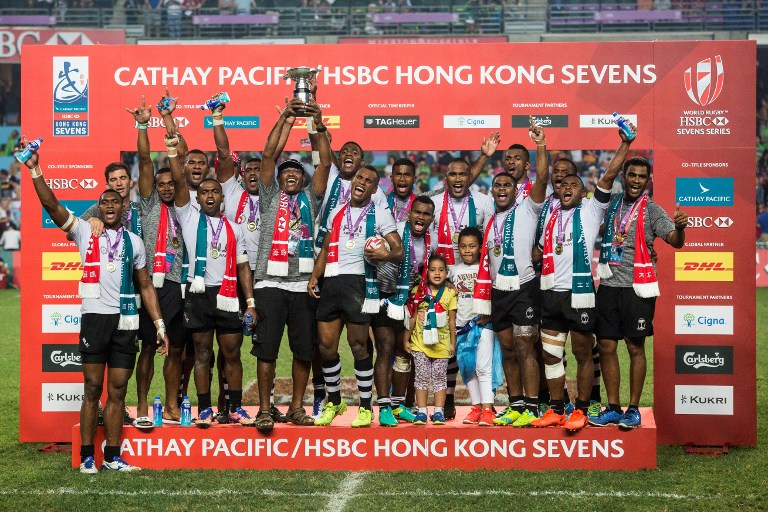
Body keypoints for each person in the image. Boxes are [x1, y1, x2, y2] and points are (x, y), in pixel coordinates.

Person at [21, 136, 168, 473]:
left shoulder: (134, 242)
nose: (110, 206)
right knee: (92, 387)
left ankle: (113, 455)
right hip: (95, 320)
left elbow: (145, 285)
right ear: (99, 208)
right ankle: (88, 456)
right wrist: (35, 170)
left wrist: (159, 325)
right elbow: (53, 206)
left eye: (115, 201)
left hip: (126, 321)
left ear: (122, 205)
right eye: (104, 202)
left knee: (118, 390)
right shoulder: (86, 232)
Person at [530, 125, 633, 432]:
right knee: (551, 355)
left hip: (580, 295)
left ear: (582, 191)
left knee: (583, 353)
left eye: (573, 185)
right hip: (550, 294)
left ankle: (582, 409)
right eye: (562, 186)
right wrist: (541, 145)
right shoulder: (549, 215)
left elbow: (609, 176)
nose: (566, 188)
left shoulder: (591, 210)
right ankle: (558, 409)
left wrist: (625, 144)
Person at [248, 98, 331, 432]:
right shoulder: (268, 196)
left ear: (303, 179)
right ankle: (265, 410)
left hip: (302, 285)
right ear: (279, 180)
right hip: (269, 282)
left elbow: (324, 163)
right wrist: (285, 117)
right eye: (287, 173)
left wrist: (316, 122)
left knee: (302, 349)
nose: (292, 175)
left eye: (298, 172)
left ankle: (297, 407)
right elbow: (268, 155)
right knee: (266, 349)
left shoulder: (311, 198)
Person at [167, 131, 257, 428]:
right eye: (204, 192)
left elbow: (244, 266)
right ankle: (204, 409)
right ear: (198, 197)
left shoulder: (235, 228)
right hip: (200, 293)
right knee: (202, 353)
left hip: (230, 295)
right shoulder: (189, 217)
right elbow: (180, 182)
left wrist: (251, 303)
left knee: (232, 354)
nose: (208, 196)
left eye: (214, 192)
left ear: (221, 197)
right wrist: (171, 149)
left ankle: (234, 408)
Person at [590, 156, 687, 429]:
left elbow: (675, 242)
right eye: (631, 175)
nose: (635, 181)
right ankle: (612, 407)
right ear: (624, 176)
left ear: (648, 181)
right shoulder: (611, 205)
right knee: (606, 345)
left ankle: (633, 409)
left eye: (641, 177)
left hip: (638, 288)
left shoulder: (653, 211)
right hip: (608, 285)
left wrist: (680, 228)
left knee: (635, 347)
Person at [308, 165, 403, 427]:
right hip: (332, 281)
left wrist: (384, 255)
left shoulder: (380, 214)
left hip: (359, 283)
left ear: (375, 188)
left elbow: (399, 251)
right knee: (326, 346)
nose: (362, 182)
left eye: (369, 180)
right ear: (353, 182)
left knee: (359, 345)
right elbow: (326, 248)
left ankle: (364, 406)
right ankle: (335, 401)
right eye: (359, 177)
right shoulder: (337, 212)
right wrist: (316, 275)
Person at [474, 117, 549, 428]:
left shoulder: (528, 208)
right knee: (506, 347)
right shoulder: (491, 220)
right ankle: (515, 404)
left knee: (524, 344)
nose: (502, 189)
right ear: (493, 192)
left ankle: (532, 407)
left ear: (517, 188)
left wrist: (540, 144)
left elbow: (543, 178)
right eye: (498, 185)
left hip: (524, 287)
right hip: (498, 291)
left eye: (508, 185)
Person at [126, 95, 189, 425]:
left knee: (176, 349)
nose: (166, 187)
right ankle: (140, 406)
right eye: (161, 184)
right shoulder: (149, 204)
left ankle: (170, 405)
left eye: (170, 183)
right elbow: (145, 161)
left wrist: (168, 121)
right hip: (152, 286)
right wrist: (143, 125)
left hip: (179, 285)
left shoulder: (186, 206)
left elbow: (180, 166)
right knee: (148, 348)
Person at [428, 134, 498, 420]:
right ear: (445, 178)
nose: (458, 179)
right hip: (445, 281)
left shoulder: (484, 202)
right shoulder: (433, 203)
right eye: (452, 174)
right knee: (447, 344)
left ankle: (484, 405)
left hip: (474, 283)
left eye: (463, 174)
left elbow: (492, 241)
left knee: (472, 350)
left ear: (470, 177)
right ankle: (447, 400)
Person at [374, 193, 436, 425]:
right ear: (409, 214)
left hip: (410, 299)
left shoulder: (434, 239)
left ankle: (398, 405)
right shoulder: (394, 231)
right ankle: (383, 407)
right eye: (417, 212)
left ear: (432, 218)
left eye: (426, 214)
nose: (421, 217)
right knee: (385, 348)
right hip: (384, 296)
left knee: (403, 351)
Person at [404, 254, 457, 425]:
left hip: (441, 345)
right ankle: (421, 411)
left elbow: (452, 320)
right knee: (421, 376)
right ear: (425, 273)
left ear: (446, 272)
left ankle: (439, 411)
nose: (437, 273)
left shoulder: (450, 293)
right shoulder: (417, 292)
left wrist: (452, 343)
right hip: (420, 344)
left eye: (441, 270)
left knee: (440, 377)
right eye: (432, 270)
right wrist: (406, 339)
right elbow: (412, 317)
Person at [451, 227, 496, 426]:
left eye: (472, 246)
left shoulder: (487, 269)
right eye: (463, 246)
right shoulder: (454, 271)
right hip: (461, 327)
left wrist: (490, 314)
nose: (467, 250)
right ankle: (476, 407)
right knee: (468, 369)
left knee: (483, 367)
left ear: (480, 248)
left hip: (482, 325)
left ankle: (488, 409)